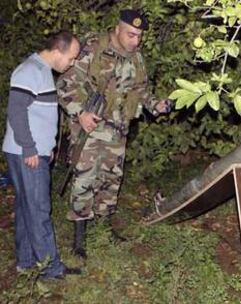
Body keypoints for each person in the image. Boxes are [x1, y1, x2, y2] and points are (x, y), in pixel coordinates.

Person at [57, 9, 171, 259]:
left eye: (140, 36)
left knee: (111, 180)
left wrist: (156, 105)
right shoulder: (93, 48)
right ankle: (79, 239)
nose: (136, 41)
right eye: (131, 34)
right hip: (90, 129)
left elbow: (141, 91)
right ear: (117, 29)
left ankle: (105, 227)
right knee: (85, 180)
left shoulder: (137, 58)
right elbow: (66, 85)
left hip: (118, 130)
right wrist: (81, 114)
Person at [2, 31, 82, 279]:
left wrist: (48, 147)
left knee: (28, 207)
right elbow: (16, 112)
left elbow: (38, 114)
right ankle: (51, 269)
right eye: (71, 58)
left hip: (32, 151)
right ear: (58, 50)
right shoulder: (29, 71)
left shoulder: (42, 71)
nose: (72, 63)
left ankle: (26, 262)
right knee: (39, 210)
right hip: (27, 153)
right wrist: (30, 148)